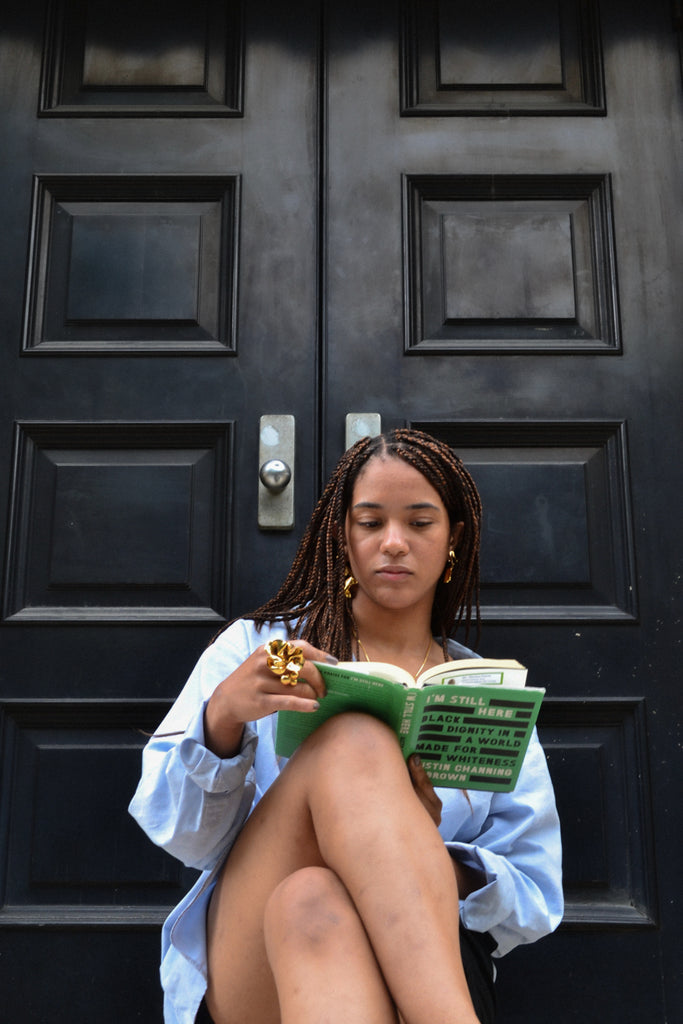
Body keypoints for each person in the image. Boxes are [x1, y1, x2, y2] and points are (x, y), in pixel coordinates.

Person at [129, 428, 563, 1024]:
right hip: (250, 962)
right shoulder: (264, 650)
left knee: (312, 899)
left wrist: (418, 845)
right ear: (342, 534)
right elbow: (181, 838)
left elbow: (535, 897)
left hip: (406, 965)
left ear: (453, 538)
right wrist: (223, 719)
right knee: (353, 739)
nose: (393, 543)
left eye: (419, 523)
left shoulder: (484, 693)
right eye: (370, 522)